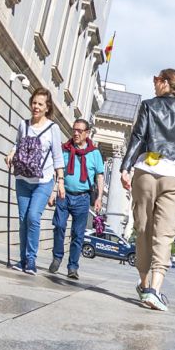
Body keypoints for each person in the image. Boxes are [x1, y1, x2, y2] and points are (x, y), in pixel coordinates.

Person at [120, 68, 175, 311]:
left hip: (146, 170)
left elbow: (137, 138)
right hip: (173, 176)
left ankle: (144, 285)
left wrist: (125, 168)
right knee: (164, 234)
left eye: (156, 80)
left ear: (166, 83)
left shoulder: (148, 106)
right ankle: (154, 289)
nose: (154, 84)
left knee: (143, 229)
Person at [6, 88, 64, 274]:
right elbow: (18, 144)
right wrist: (11, 153)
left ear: (47, 108)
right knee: (23, 219)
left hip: (43, 180)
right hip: (23, 178)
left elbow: (57, 156)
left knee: (33, 217)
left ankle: (31, 260)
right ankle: (22, 260)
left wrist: (60, 182)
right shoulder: (23, 125)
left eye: (40, 104)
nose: (36, 107)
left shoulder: (53, 128)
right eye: (34, 103)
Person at [48, 118, 105, 280]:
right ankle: (57, 257)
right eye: (74, 129)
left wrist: (99, 197)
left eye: (80, 130)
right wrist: (53, 191)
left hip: (83, 198)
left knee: (77, 234)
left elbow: (100, 176)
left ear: (87, 133)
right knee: (59, 226)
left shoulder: (94, 153)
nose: (76, 133)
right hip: (63, 194)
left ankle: (73, 266)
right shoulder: (65, 149)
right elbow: (56, 171)